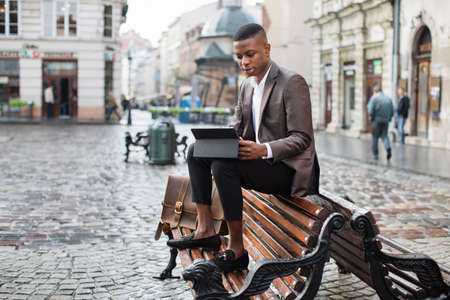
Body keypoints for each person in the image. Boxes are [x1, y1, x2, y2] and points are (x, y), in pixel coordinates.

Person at [167, 23, 320, 273]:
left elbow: (302, 138)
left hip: (285, 170)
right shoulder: (246, 86)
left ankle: (237, 250)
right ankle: (205, 229)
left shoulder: (292, 82)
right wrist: (219, 140)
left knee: (223, 165)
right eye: (239, 56)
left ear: (267, 49)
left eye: (250, 54)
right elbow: (236, 128)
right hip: (258, 166)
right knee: (196, 150)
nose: (244, 62)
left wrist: (263, 149)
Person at [367, 84, 394, 160]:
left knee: (375, 137)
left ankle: (375, 154)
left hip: (376, 120)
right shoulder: (388, 99)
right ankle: (388, 147)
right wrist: (389, 118)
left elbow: (370, 110)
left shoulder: (374, 98)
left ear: (375, 91)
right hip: (385, 121)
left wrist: (371, 118)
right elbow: (392, 111)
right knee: (385, 136)